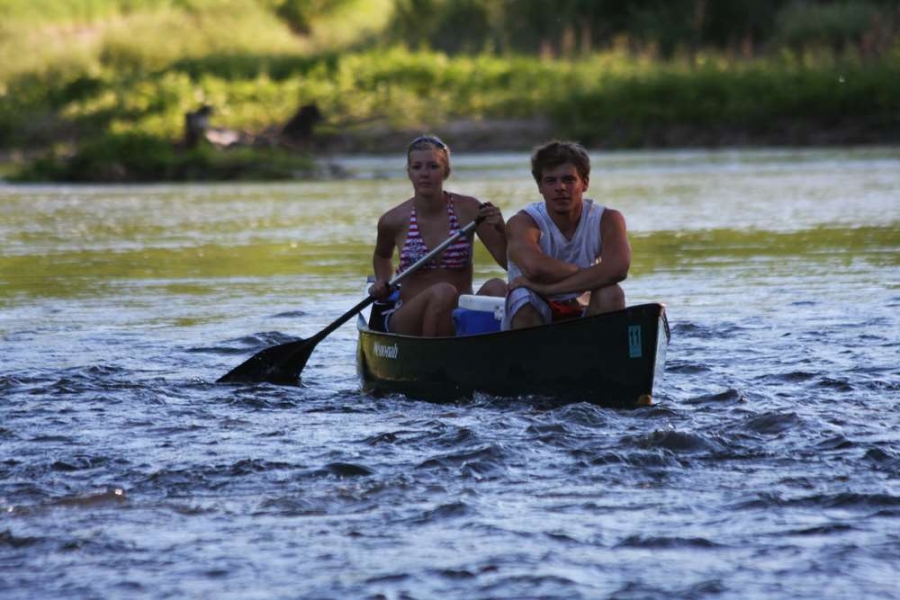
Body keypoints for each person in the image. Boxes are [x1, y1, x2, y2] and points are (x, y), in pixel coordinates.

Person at [368, 134, 507, 337]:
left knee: (497, 286)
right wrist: (382, 280)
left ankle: (496, 352)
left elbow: (507, 262)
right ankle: (433, 358)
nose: (425, 174)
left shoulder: (469, 210)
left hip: (459, 313)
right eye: (417, 167)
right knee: (443, 291)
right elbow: (382, 255)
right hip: (409, 318)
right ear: (409, 173)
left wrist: (502, 229)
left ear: (446, 171)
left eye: (433, 166)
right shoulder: (393, 219)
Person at [504, 140, 630, 329]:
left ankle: (604, 353)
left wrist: (547, 288)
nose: (560, 187)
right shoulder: (523, 222)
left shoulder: (608, 218)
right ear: (540, 186)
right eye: (550, 180)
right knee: (524, 297)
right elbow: (534, 269)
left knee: (612, 293)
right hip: (535, 303)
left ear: (585, 183)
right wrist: (594, 274)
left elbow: (619, 269)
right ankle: (532, 355)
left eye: (569, 179)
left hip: (579, 303)